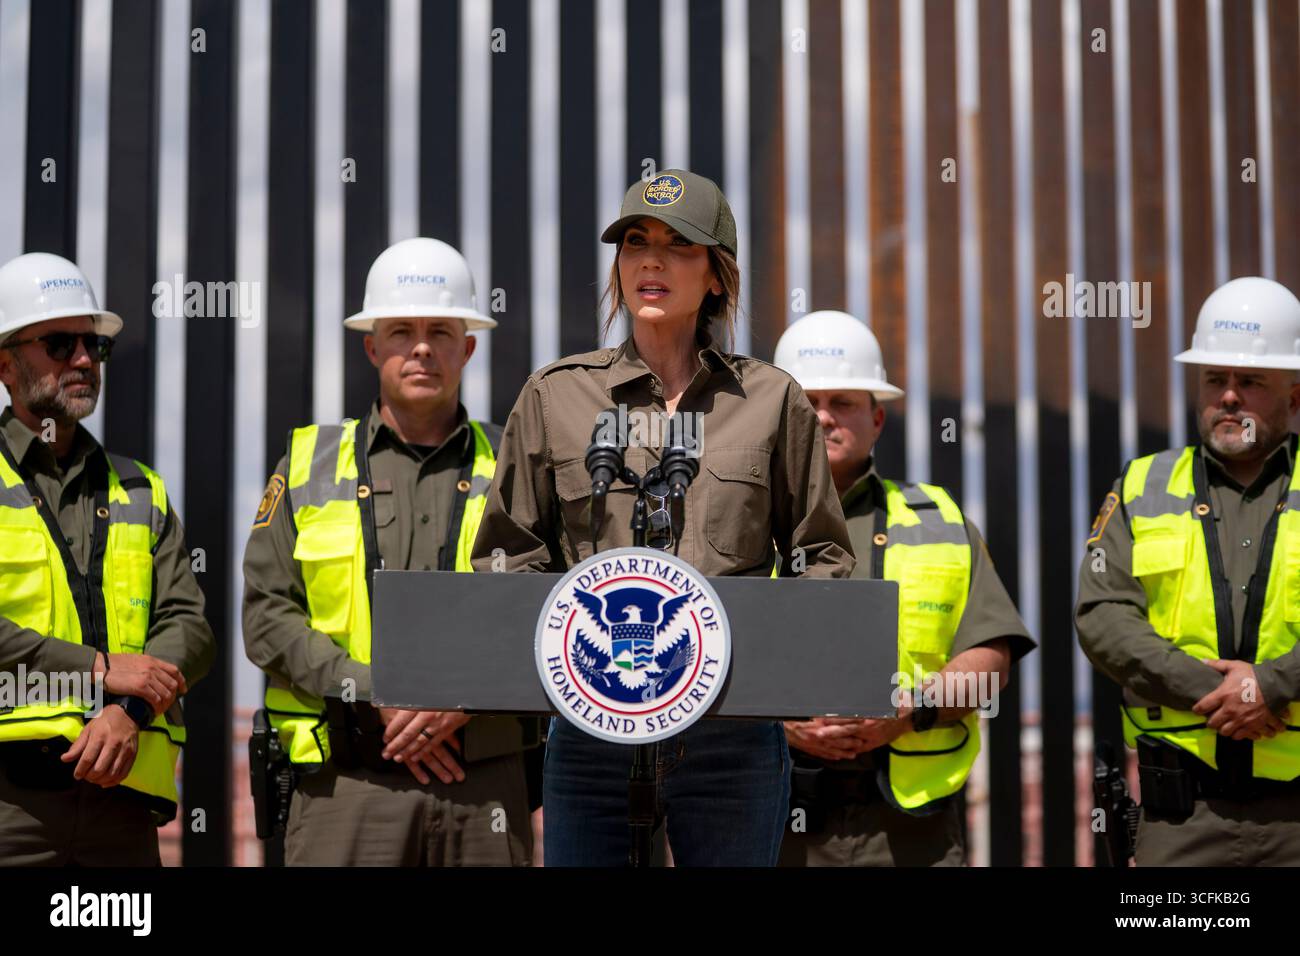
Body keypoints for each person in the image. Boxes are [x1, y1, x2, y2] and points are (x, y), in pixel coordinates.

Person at [471, 169, 855, 866]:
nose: (651, 260)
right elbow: (506, 557)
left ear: (716, 275)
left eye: (679, 246)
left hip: (732, 734)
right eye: (635, 242)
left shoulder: (771, 400)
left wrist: (791, 676)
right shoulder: (556, 397)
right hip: (591, 732)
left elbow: (821, 557)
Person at [242, 237, 536, 866]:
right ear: (372, 346)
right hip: (348, 787)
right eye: (401, 330)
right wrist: (372, 691)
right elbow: (267, 617)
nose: (422, 346)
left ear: (469, 347)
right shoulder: (308, 462)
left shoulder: (516, 464)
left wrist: (460, 699)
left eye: (440, 330)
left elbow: (544, 611)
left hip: (480, 785)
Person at [772, 310, 1034, 866]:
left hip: (909, 831)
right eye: (807, 403)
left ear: (877, 419)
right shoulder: (737, 525)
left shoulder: (940, 522)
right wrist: (781, 721)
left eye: (843, 402)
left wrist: (906, 710)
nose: (823, 418)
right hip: (771, 823)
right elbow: (699, 662)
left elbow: (990, 663)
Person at [1077, 276, 1300, 866]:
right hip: (1181, 818)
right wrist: (1219, 693)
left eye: (1250, 381)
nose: (1228, 397)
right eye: (1214, 380)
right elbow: (1103, 617)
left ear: (1294, 397)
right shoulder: (1142, 485)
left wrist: (1271, 686)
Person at [0, 252, 214, 865]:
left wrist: (130, 710)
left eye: (94, 346)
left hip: (120, 808)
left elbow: (190, 629)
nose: (84, 361)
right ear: (5, 364)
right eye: (60, 343)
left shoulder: (140, 488)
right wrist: (95, 667)